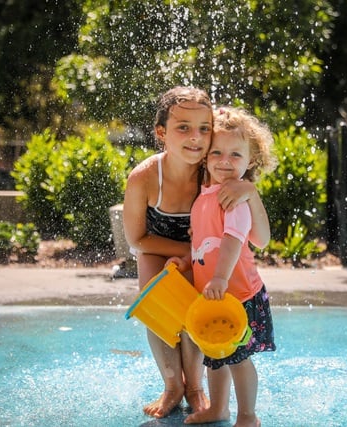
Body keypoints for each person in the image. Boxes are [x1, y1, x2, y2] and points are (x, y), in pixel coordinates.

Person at [123, 87, 271, 419]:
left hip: (201, 249)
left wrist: (249, 190)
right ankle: (173, 383)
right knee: (155, 302)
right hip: (155, 242)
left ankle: (196, 386)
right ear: (161, 133)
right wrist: (188, 253)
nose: (196, 138)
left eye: (204, 129)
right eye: (183, 128)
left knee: (196, 307)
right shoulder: (145, 177)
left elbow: (253, 234)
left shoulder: (214, 167)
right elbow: (137, 238)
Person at [168, 106, 277, 427]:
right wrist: (187, 262)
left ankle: (248, 415)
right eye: (216, 152)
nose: (225, 161)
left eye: (235, 154)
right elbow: (205, 242)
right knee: (215, 357)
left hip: (239, 294)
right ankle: (219, 408)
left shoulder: (234, 196)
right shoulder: (206, 195)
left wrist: (218, 277)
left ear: (250, 160)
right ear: (205, 157)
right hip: (215, 294)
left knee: (239, 360)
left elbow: (232, 240)